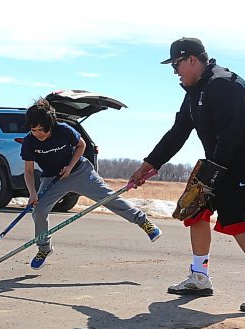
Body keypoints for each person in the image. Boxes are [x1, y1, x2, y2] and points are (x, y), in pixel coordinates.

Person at [130, 37, 245, 312]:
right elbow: (178, 132)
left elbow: (231, 135)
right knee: (195, 211)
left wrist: (211, 174)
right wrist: (149, 164)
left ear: (192, 59)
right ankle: (200, 277)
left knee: (234, 218)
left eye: (176, 65)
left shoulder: (223, 84)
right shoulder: (194, 92)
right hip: (222, 162)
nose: (175, 71)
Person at [21, 98, 162, 270]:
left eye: (41, 130)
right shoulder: (29, 141)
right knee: (39, 211)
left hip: (80, 172)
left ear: (50, 124)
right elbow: (28, 171)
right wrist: (32, 193)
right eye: (33, 130)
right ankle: (44, 248)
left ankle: (144, 222)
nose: (38, 134)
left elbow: (81, 145)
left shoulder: (64, 130)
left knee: (108, 198)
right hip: (52, 178)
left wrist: (70, 166)